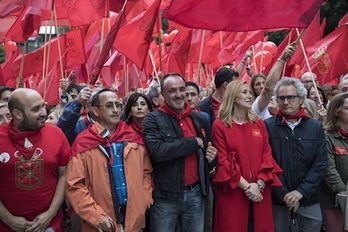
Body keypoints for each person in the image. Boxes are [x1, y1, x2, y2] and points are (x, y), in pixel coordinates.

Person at [66, 89, 153, 232]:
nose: (115, 110)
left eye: (118, 105)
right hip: (101, 223)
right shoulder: (83, 142)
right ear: (96, 111)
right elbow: (74, 186)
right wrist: (96, 216)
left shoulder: (133, 138)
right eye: (109, 105)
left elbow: (146, 173)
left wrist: (144, 201)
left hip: (133, 219)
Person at [143, 73, 217, 232]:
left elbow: (207, 152)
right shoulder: (152, 119)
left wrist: (212, 158)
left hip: (195, 194)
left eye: (181, 89)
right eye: (172, 91)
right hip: (165, 198)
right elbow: (159, 152)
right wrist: (192, 142)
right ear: (163, 95)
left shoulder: (199, 119)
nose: (179, 95)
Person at [212, 80, 282, 232]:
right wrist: (248, 187)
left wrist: (259, 185)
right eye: (244, 92)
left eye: (250, 92)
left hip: (259, 192)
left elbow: (267, 157)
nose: (250, 96)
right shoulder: (220, 125)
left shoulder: (259, 123)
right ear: (233, 96)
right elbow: (223, 162)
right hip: (234, 192)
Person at [0, 88, 70, 231]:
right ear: (18, 114)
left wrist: (50, 214)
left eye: (43, 106)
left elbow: (64, 175)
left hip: (51, 225)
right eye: (36, 109)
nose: (44, 112)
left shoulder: (56, 134)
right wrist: (9, 219)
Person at [264, 77, 328, 232]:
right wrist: (284, 194)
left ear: (301, 99)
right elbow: (268, 162)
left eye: (290, 97)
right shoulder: (268, 126)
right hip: (279, 201)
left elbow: (320, 164)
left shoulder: (315, 126)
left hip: (308, 200)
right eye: (281, 98)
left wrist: (301, 192)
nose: (285, 102)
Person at [320, 92, 348, 232]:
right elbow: (328, 169)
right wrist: (343, 191)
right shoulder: (326, 136)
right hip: (334, 200)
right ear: (336, 111)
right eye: (347, 108)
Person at [251, 43, 296, 120]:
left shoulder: (288, 110)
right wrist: (282, 60)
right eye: (257, 84)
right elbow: (267, 90)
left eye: (264, 83)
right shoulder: (256, 107)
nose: (262, 86)